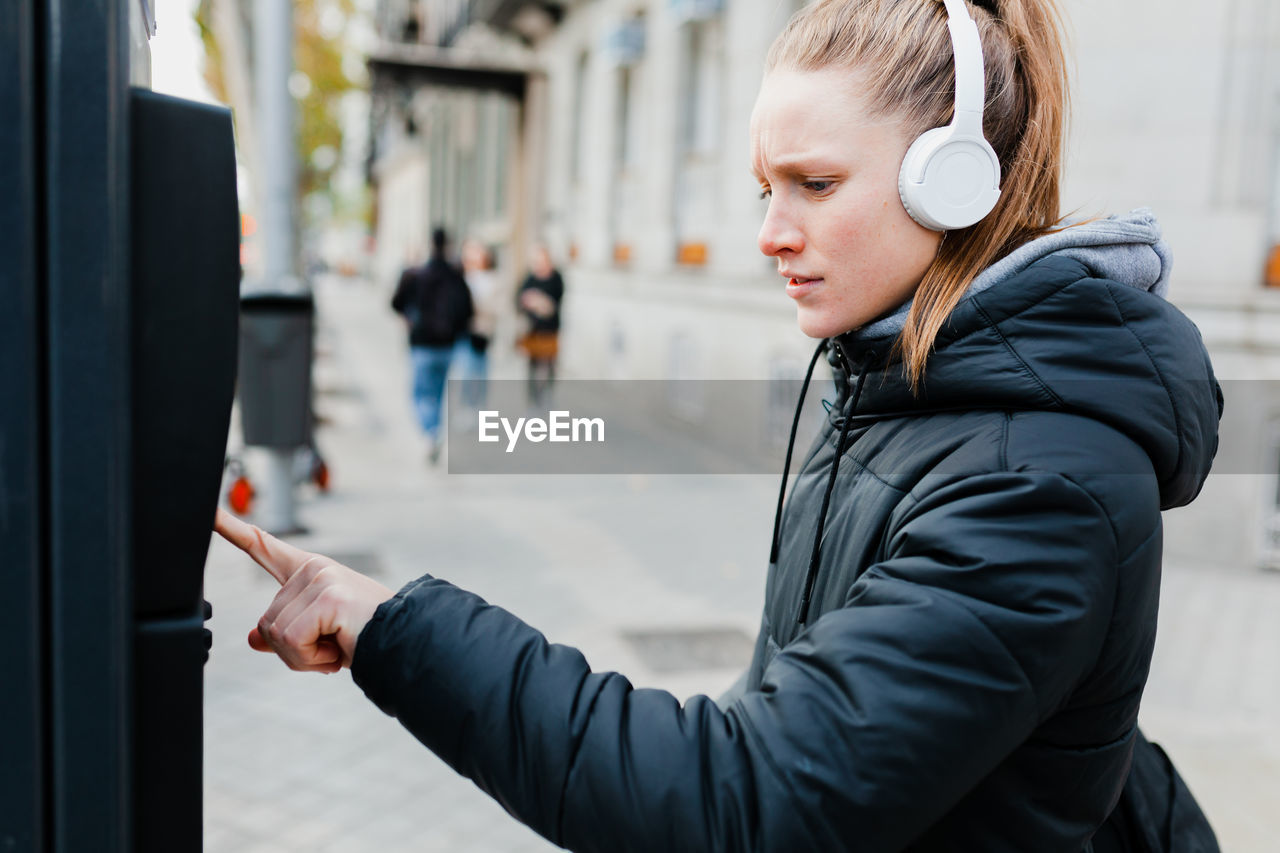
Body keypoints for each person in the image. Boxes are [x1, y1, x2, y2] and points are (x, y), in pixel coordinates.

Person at [216, 1, 1223, 850]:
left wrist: (398, 629)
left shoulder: (1037, 486)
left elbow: (747, 803)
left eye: (813, 184)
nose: (769, 232)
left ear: (951, 181)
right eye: (762, 188)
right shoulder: (897, 394)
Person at [390, 226, 472, 464]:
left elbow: (396, 303)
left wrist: (410, 318)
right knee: (437, 391)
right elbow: (467, 310)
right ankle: (434, 431)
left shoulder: (416, 275)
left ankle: (431, 431)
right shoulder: (455, 275)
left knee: (421, 393)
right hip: (447, 345)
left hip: (423, 343)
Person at [516, 244, 565, 409]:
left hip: (550, 330)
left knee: (549, 364)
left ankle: (547, 395)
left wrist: (541, 302)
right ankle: (533, 400)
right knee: (533, 366)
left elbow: (556, 301)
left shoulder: (556, 277)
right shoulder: (530, 278)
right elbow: (519, 298)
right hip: (533, 330)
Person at [454, 238, 500, 411]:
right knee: (465, 371)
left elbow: (497, 307)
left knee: (481, 372)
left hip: (483, 332)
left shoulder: (492, 279)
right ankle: (467, 405)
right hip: (464, 331)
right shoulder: (461, 277)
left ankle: (479, 406)